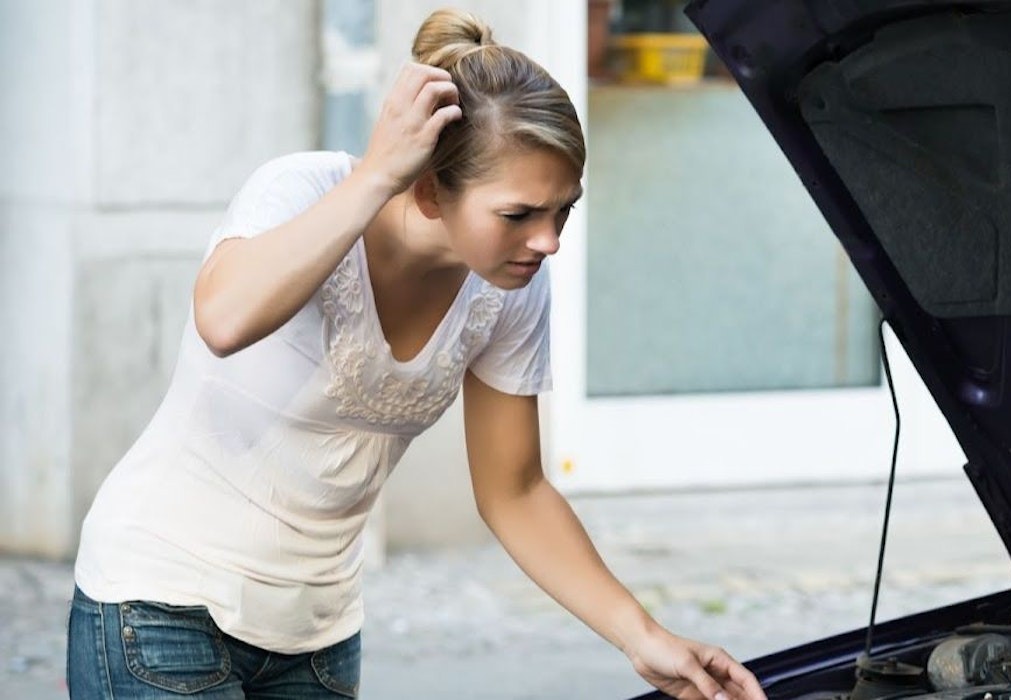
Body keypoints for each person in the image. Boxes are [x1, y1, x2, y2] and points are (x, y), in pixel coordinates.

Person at [66, 8, 766, 700]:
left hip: (315, 637)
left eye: (563, 210)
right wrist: (376, 175)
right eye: (519, 214)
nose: (549, 240)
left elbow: (515, 491)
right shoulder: (302, 190)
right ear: (429, 189)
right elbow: (223, 320)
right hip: (158, 603)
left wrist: (644, 638)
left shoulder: (509, 287)